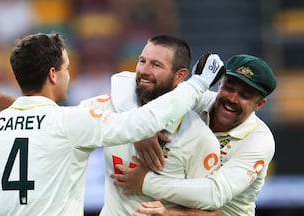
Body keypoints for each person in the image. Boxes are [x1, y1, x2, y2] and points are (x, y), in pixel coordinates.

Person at [0, 33, 223, 216]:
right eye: (66, 68)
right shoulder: (71, 122)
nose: (69, 75)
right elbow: (142, 122)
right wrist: (198, 83)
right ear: (53, 75)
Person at [111, 54, 278, 216]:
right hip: (171, 205)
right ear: (220, 84)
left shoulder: (259, 140)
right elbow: (123, 82)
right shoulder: (196, 99)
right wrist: (141, 128)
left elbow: (215, 194)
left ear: (259, 104)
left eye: (245, 95)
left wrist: (145, 183)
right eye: (229, 88)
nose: (232, 98)